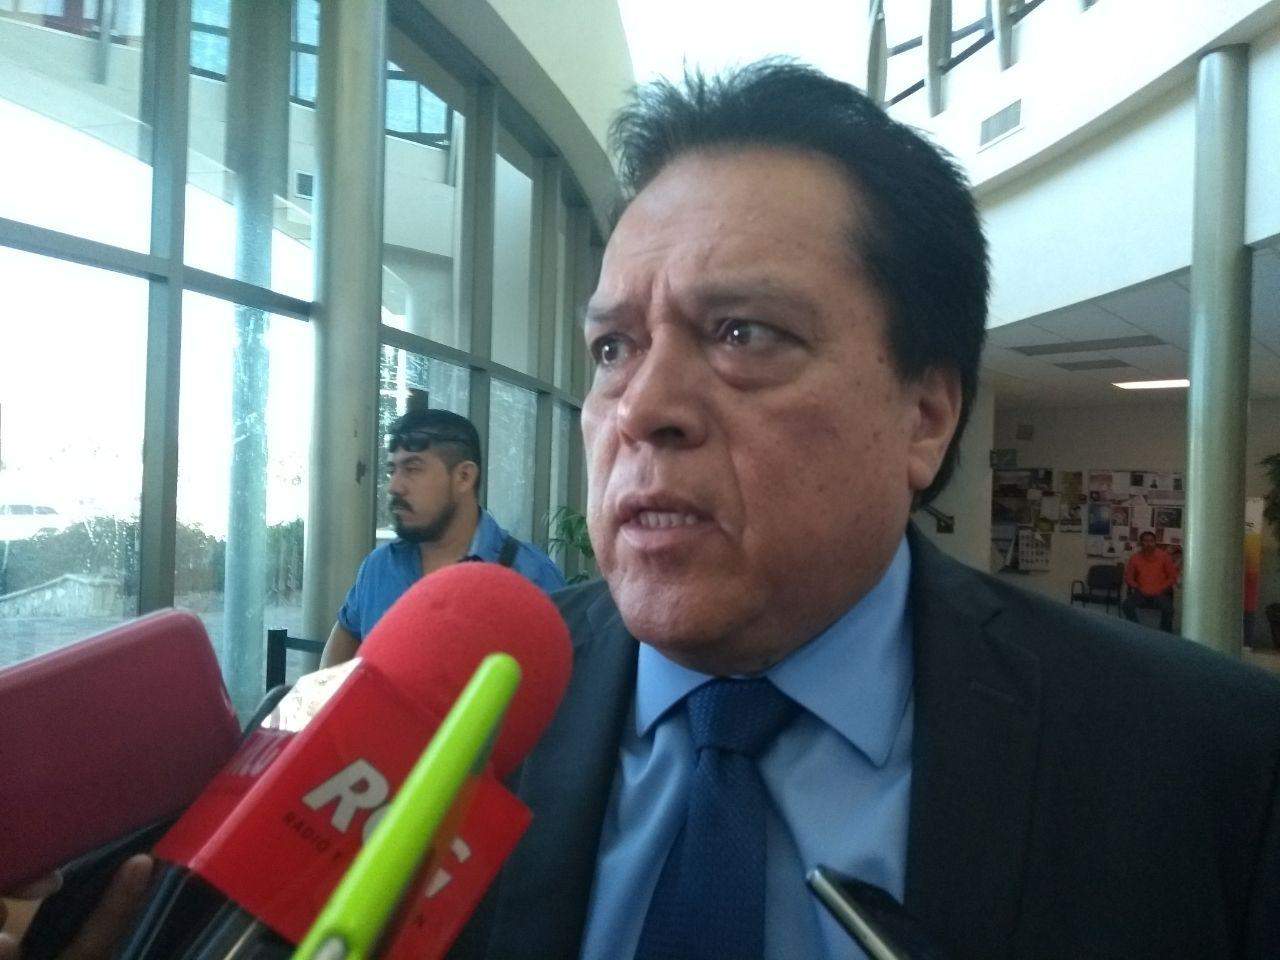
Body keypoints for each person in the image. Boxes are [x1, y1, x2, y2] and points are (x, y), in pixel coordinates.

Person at [10, 60, 1280, 960]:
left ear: (924, 414)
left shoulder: (1205, 770)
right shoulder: (420, 737)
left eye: (742, 334)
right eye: (613, 347)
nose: (644, 407)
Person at [319, 408, 565, 666]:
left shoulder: (530, 576)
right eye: (393, 470)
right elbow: (343, 642)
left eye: (412, 469)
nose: (394, 486)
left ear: (464, 477)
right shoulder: (379, 567)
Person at [1121, 530, 1178, 632]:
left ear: (1155, 542)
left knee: (1169, 609)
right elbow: (1128, 578)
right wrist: (1138, 587)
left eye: (1151, 541)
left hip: (1159, 593)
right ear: (1141, 543)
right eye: (1146, 541)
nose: (1149, 544)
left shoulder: (1164, 557)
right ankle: (1137, 630)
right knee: (1126, 606)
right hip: (1141, 593)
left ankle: (1164, 633)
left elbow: (1172, 577)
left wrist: (1161, 588)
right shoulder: (1134, 558)